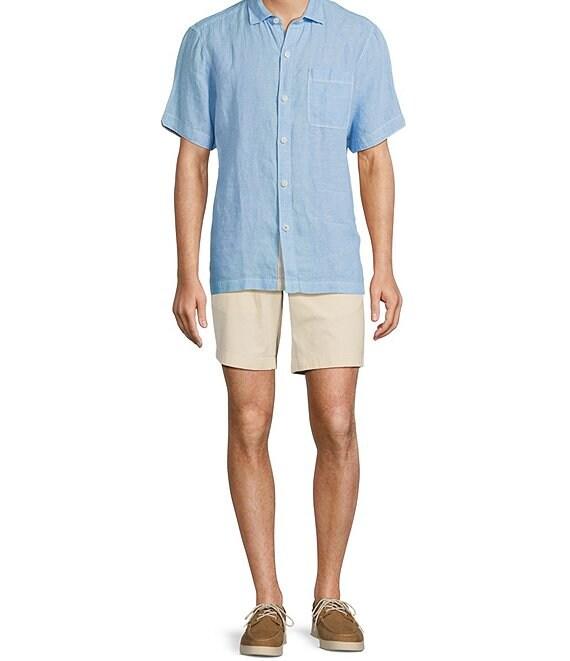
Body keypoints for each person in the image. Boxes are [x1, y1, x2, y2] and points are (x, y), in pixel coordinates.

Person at [162, 0, 404, 654]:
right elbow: (192, 159)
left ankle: (329, 594)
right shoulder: (208, 40)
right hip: (241, 254)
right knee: (249, 420)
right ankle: (266, 598)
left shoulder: (359, 39)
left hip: (330, 259)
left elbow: (374, 158)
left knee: (337, 421)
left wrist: (384, 265)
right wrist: (186, 270)